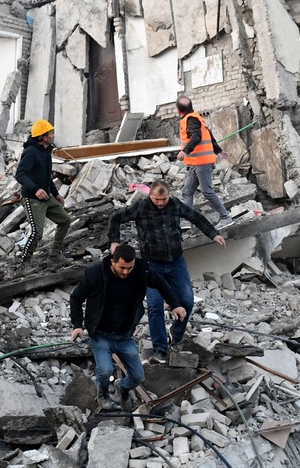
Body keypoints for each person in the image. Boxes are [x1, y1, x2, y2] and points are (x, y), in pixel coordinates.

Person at [108, 180, 226, 363]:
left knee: (186, 301)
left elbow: (196, 217)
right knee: (155, 307)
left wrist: (213, 233)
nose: (161, 203)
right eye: (157, 199)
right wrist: (114, 241)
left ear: (169, 195)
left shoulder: (175, 205)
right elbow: (115, 218)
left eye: (163, 199)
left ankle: (176, 334)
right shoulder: (141, 207)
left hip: (175, 263)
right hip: (151, 265)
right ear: (150, 196)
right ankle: (160, 349)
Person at [70, 244, 188, 411]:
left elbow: (161, 283)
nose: (126, 272)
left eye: (129, 268)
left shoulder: (140, 271)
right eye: (122, 268)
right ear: (113, 261)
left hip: (124, 334)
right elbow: (76, 297)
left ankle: (122, 388)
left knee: (138, 377)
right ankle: (102, 394)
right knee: (105, 370)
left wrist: (175, 304)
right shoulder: (96, 273)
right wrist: (77, 325)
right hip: (101, 334)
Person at [15, 119, 71, 261]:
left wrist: (56, 194)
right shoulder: (30, 152)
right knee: (37, 233)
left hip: (46, 197)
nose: (53, 135)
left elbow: (46, 176)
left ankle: (54, 254)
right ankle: (24, 261)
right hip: (32, 198)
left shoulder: (46, 151)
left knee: (65, 220)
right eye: (50, 133)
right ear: (43, 137)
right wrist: (35, 190)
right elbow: (20, 174)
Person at [175, 97, 233, 229]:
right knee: (187, 191)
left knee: (206, 191)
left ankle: (225, 217)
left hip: (201, 163)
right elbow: (209, 136)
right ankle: (186, 222)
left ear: (179, 111)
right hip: (196, 163)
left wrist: (185, 151)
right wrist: (219, 152)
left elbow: (197, 136)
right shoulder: (197, 118)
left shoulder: (191, 120)